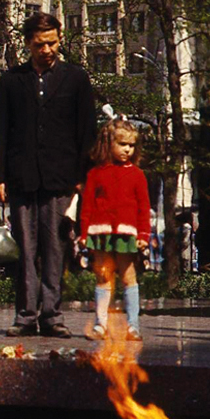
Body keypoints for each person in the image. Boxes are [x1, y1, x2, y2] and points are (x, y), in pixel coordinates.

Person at [0, 11, 95, 339]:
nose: (46, 50)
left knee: (55, 249)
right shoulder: (11, 80)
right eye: (39, 44)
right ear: (28, 44)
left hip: (60, 179)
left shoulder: (76, 79)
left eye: (51, 43)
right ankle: (25, 316)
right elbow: (1, 132)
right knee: (25, 250)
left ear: (60, 39)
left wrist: (82, 177)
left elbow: (87, 131)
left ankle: (52, 315)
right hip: (22, 178)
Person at [79, 118, 151, 341]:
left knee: (128, 276)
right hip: (99, 232)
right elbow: (87, 205)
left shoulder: (137, 175)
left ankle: (133, 325)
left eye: (131, 145)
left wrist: (144, 234)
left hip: (126, 233)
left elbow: (144, 207)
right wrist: (84, 233)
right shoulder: (95, 174)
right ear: (108, 143)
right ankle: (101, 324)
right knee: (103, 275)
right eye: (122, 144)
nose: (127, 150)